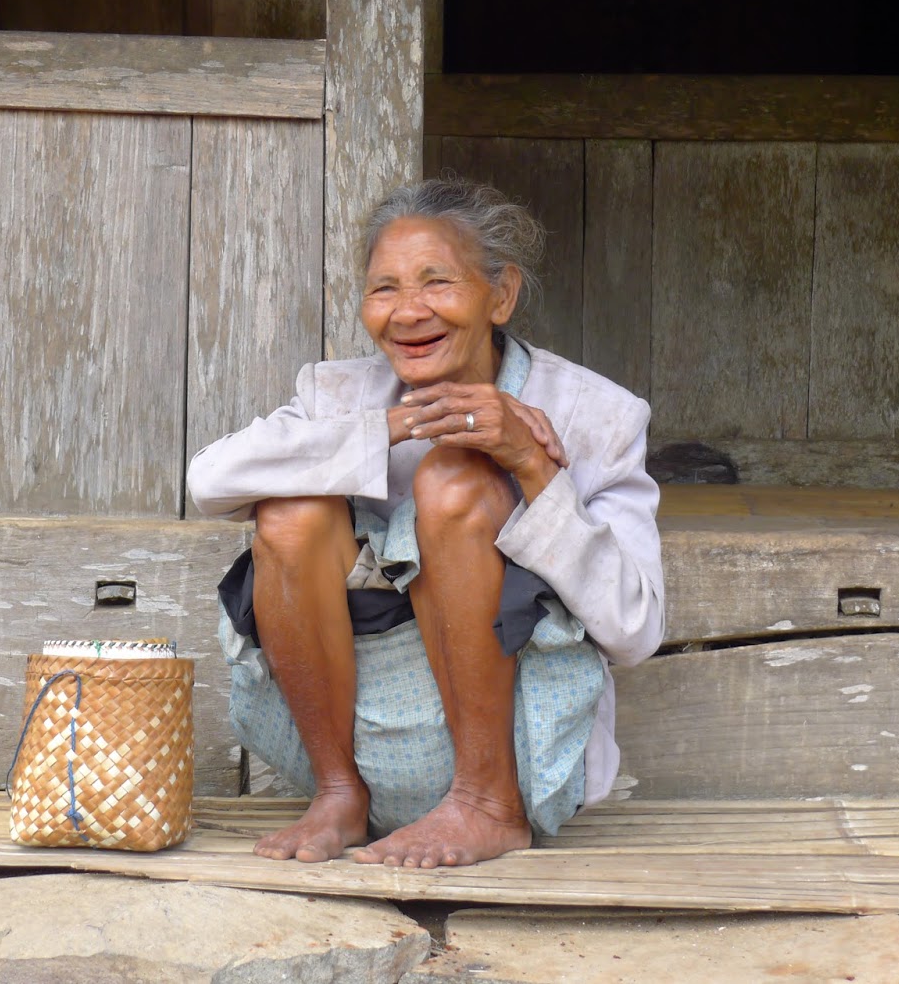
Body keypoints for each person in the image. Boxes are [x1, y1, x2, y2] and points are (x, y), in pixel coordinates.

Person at [186, 176, 664, 869]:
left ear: (501, 294)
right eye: (384, 289)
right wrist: (396, 424)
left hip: (517, 752)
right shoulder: (338, 394)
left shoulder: (597, 414)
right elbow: (208, 480)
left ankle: (486, 804)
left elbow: (636, 629)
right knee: (289, 514)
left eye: (438, 282)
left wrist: (532, 464)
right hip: (360, 737)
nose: (408, 312)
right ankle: (338, 795)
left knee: (456, 481)